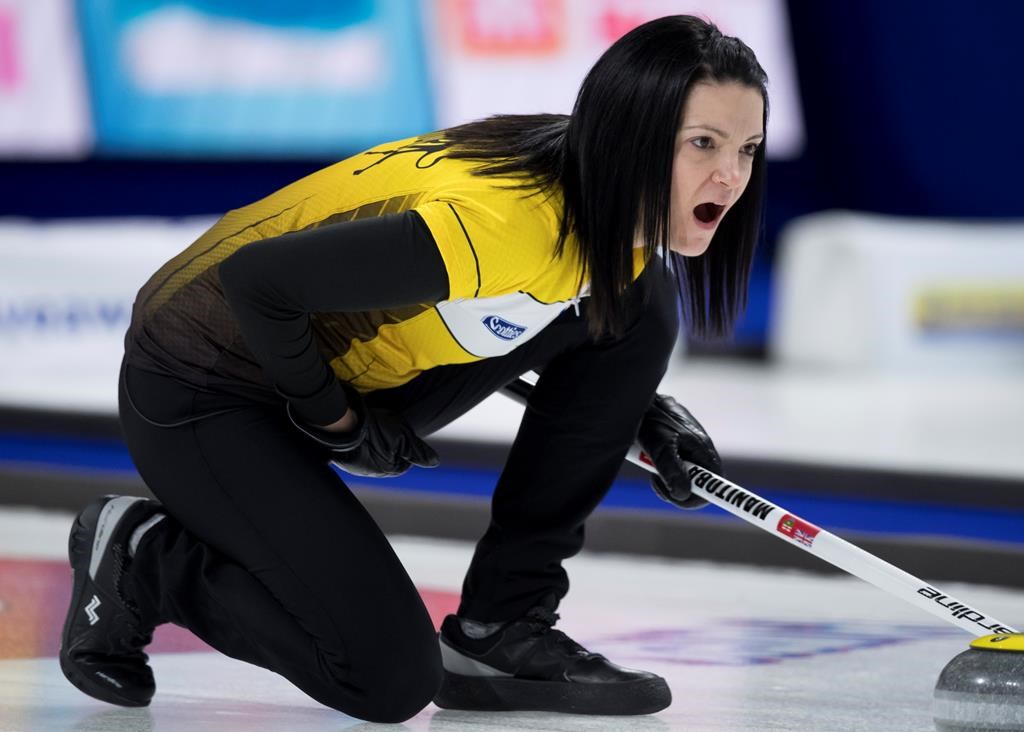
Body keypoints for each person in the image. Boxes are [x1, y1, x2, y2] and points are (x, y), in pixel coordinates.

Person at [59, 14, 768, 722]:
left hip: (341, 370)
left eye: (747, 149)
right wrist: (334, 421)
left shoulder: (601, 196)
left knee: (640, 304)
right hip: (203, 387)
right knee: (385, 679)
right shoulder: (510, 224)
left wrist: (638, 409)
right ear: (630, 133)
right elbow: (256, 283)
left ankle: (504, 625)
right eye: (703, 144)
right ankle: (147, 558)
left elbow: (552, 314)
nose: (730, 177)